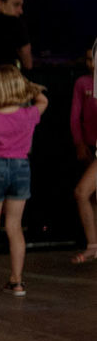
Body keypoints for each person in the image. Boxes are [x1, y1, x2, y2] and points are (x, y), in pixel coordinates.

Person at [0, 65, 48, 296]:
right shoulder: (28, 115)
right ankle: (17, 281)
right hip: (21, 168)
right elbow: (43, 100)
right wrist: (26, 84)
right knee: (14, 227)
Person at [70, 40, 97, 263]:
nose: (92, 63)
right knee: (90, 195)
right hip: (90, 148)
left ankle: (93, 245)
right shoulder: (83, 82)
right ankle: (94, 244)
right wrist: (80, 143)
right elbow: (75, 117)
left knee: (82, 191)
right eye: (89, 58)